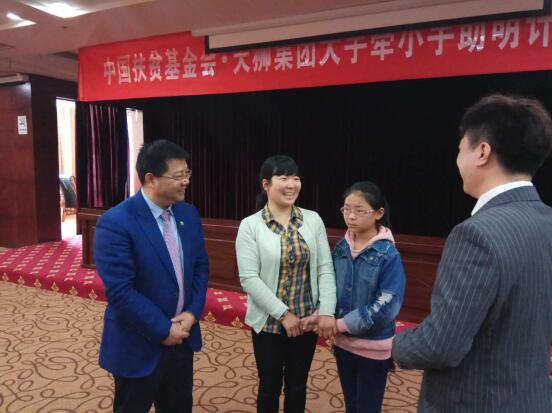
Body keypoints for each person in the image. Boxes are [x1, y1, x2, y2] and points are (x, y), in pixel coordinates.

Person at [392, 94, 552, 412]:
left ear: (482, 152)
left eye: (460, 149)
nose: (457, 160)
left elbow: (441, 345)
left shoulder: (476, 234)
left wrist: (390, 345)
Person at [94, 139, 209, 413]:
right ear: (150, 179)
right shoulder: (116, 222)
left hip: (182, 338)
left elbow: (200, 267)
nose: (186, 181)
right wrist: (163, 329)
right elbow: (120, 291)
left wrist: (192, 312)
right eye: (178, 176)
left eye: (187, 173)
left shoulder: (188, 214)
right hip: (138, 342)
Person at [235, 154, 337, 413]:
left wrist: (326, 311)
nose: (291, 184)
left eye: (296, 178)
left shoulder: (313, 220)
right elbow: (249, 278)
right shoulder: (250, 226)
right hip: (269, 324)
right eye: (283, 178)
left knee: (297, 386)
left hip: (306, 323)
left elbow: (325, 268)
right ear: (266, 184)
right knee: (269, 386)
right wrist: (284, 314)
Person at [330, 181, 405, 413]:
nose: (351, 216)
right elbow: (329, 287)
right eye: (346, 209)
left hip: (373, 348)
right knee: (352, 404)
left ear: (378, 213)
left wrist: (340, 324)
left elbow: (387, 307)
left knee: (367, 408)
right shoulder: (341, 248)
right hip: (342, 344)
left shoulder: (388, 254)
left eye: (359, 210)